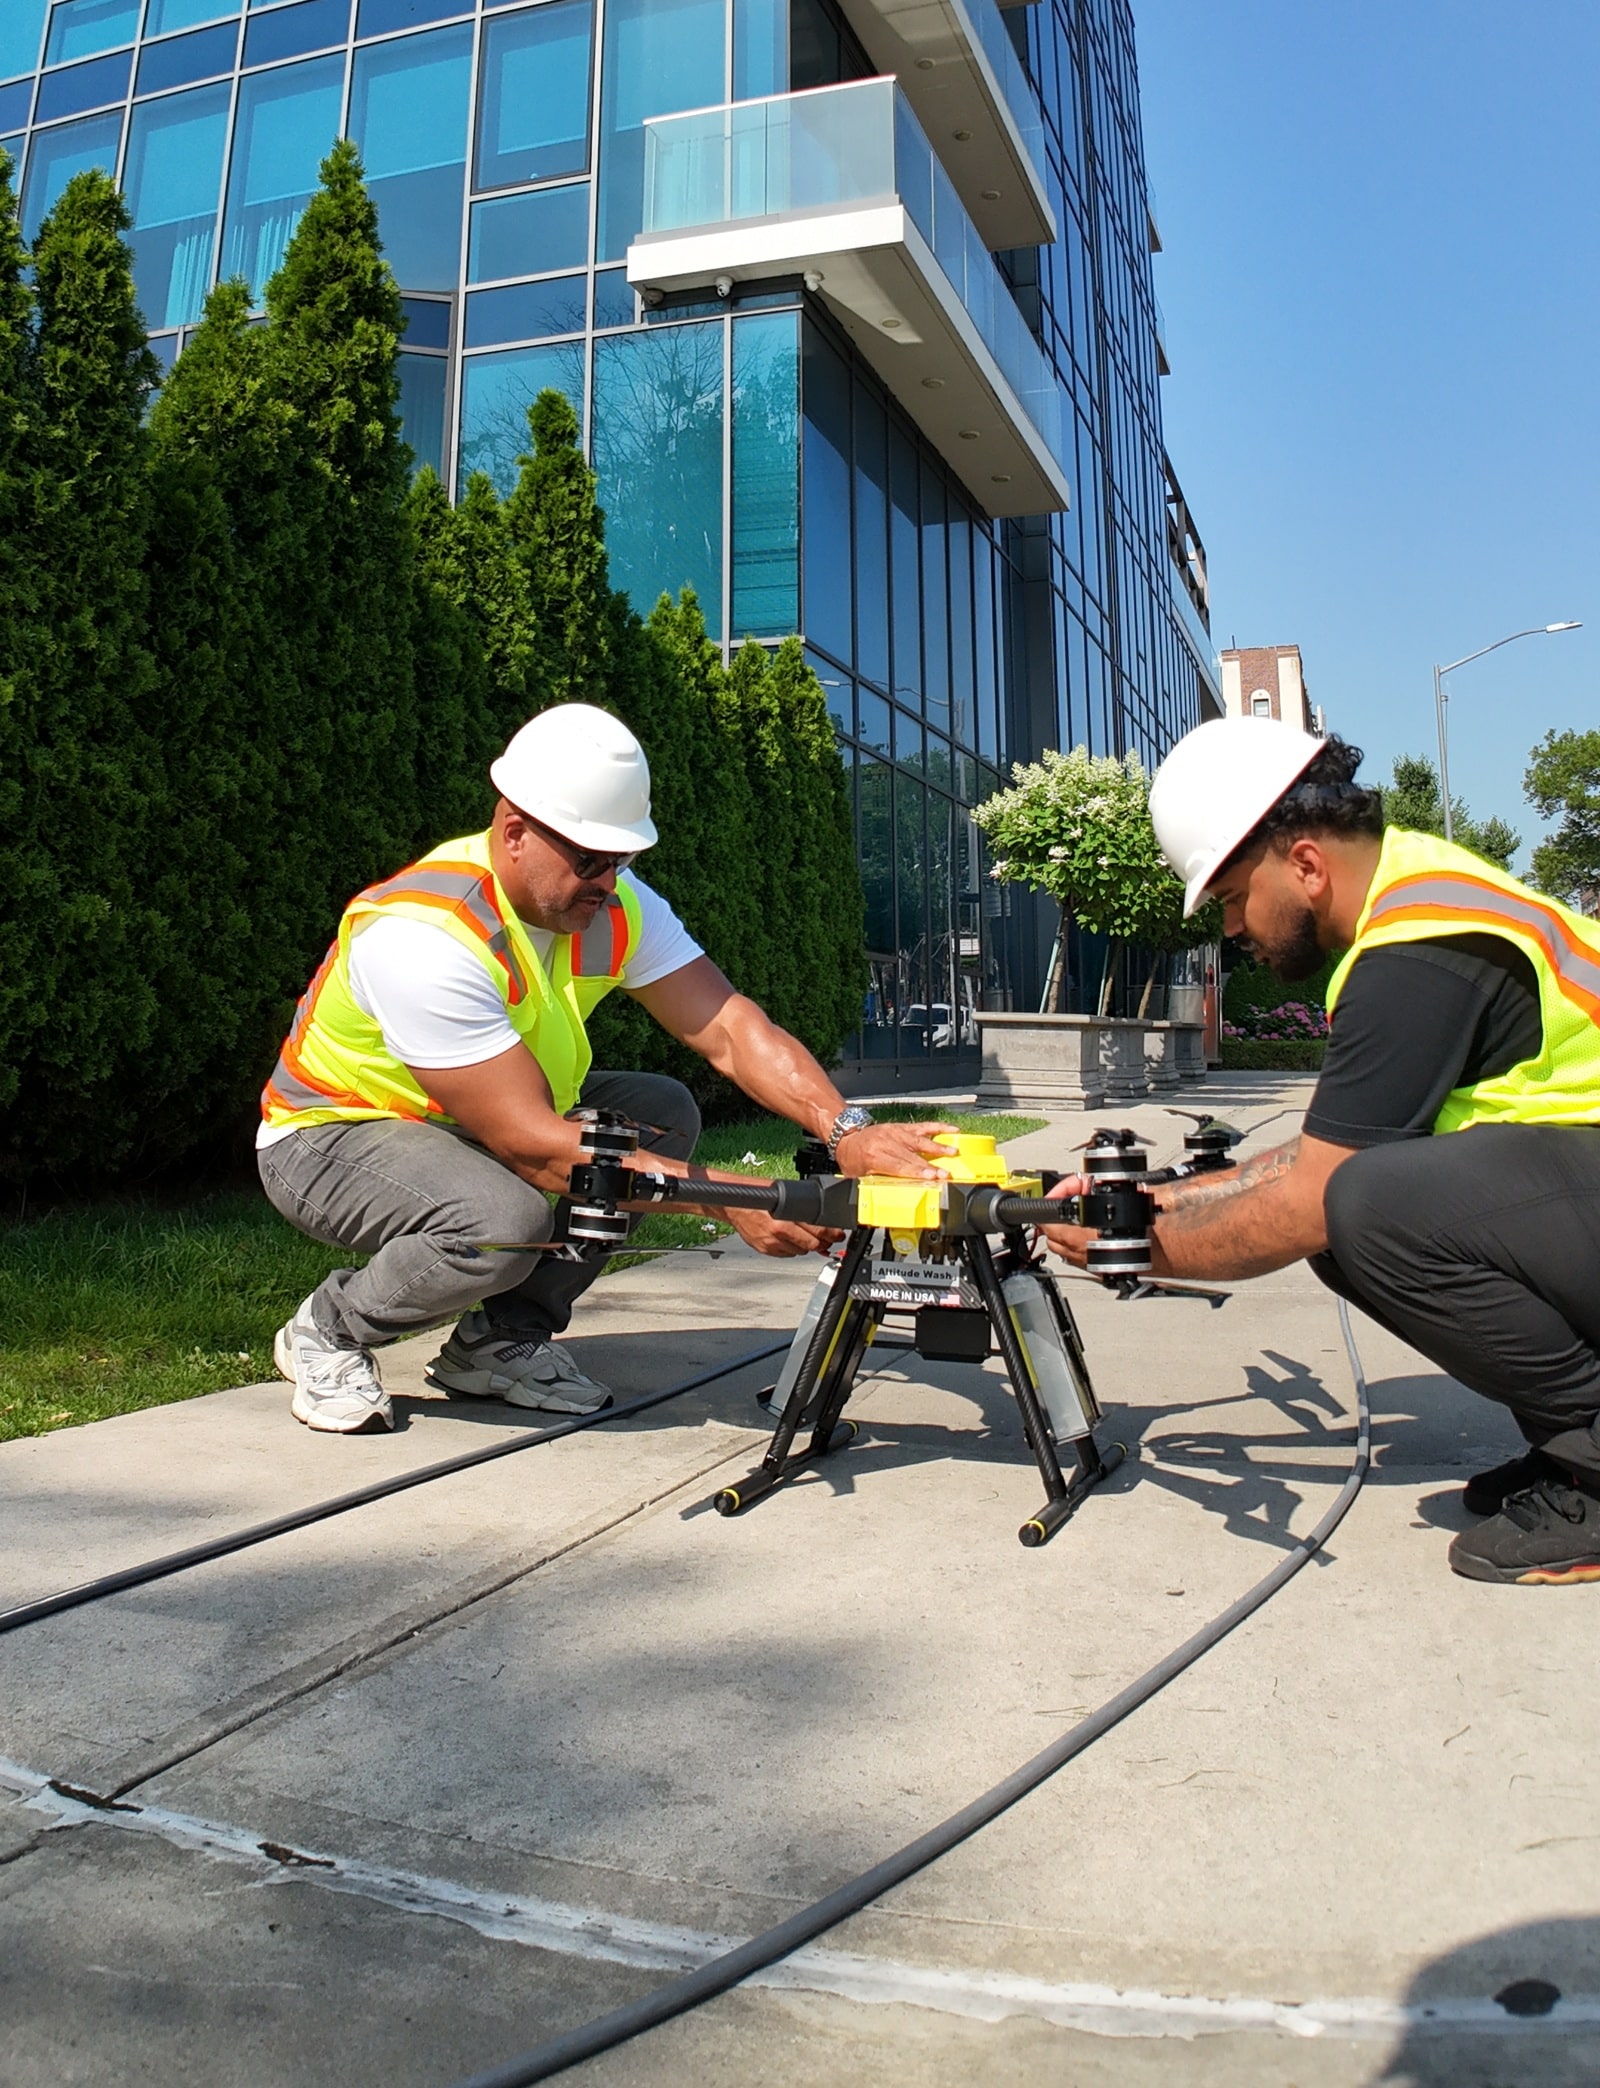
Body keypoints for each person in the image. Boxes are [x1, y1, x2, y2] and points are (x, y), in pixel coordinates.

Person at [260, 704, 954, 1435]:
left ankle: (497, 1343)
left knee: (663, 1110)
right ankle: (329, 1329)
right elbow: (533, 1146)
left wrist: (844, 1129)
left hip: (471, 1120)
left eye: (622, 859)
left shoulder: (614, 906)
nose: (607, 880)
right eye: (589, 859)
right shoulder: (423, 934)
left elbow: (730, 1027)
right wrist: (735, 1198)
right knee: (502, 1217)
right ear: (514, 830)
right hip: (332, 1134)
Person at [1042, 716, 1600, 1587]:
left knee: (1362, 1212)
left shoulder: (1419, 948)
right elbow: (1313, 1160)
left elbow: (1313, 1198)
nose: (1231, 928)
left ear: (1303, 864)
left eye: (1231, 898)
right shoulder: (1414, 896)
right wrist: (1155, 1201)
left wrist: (1136, 1249)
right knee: (1354, 1214)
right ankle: (1575, 1451)